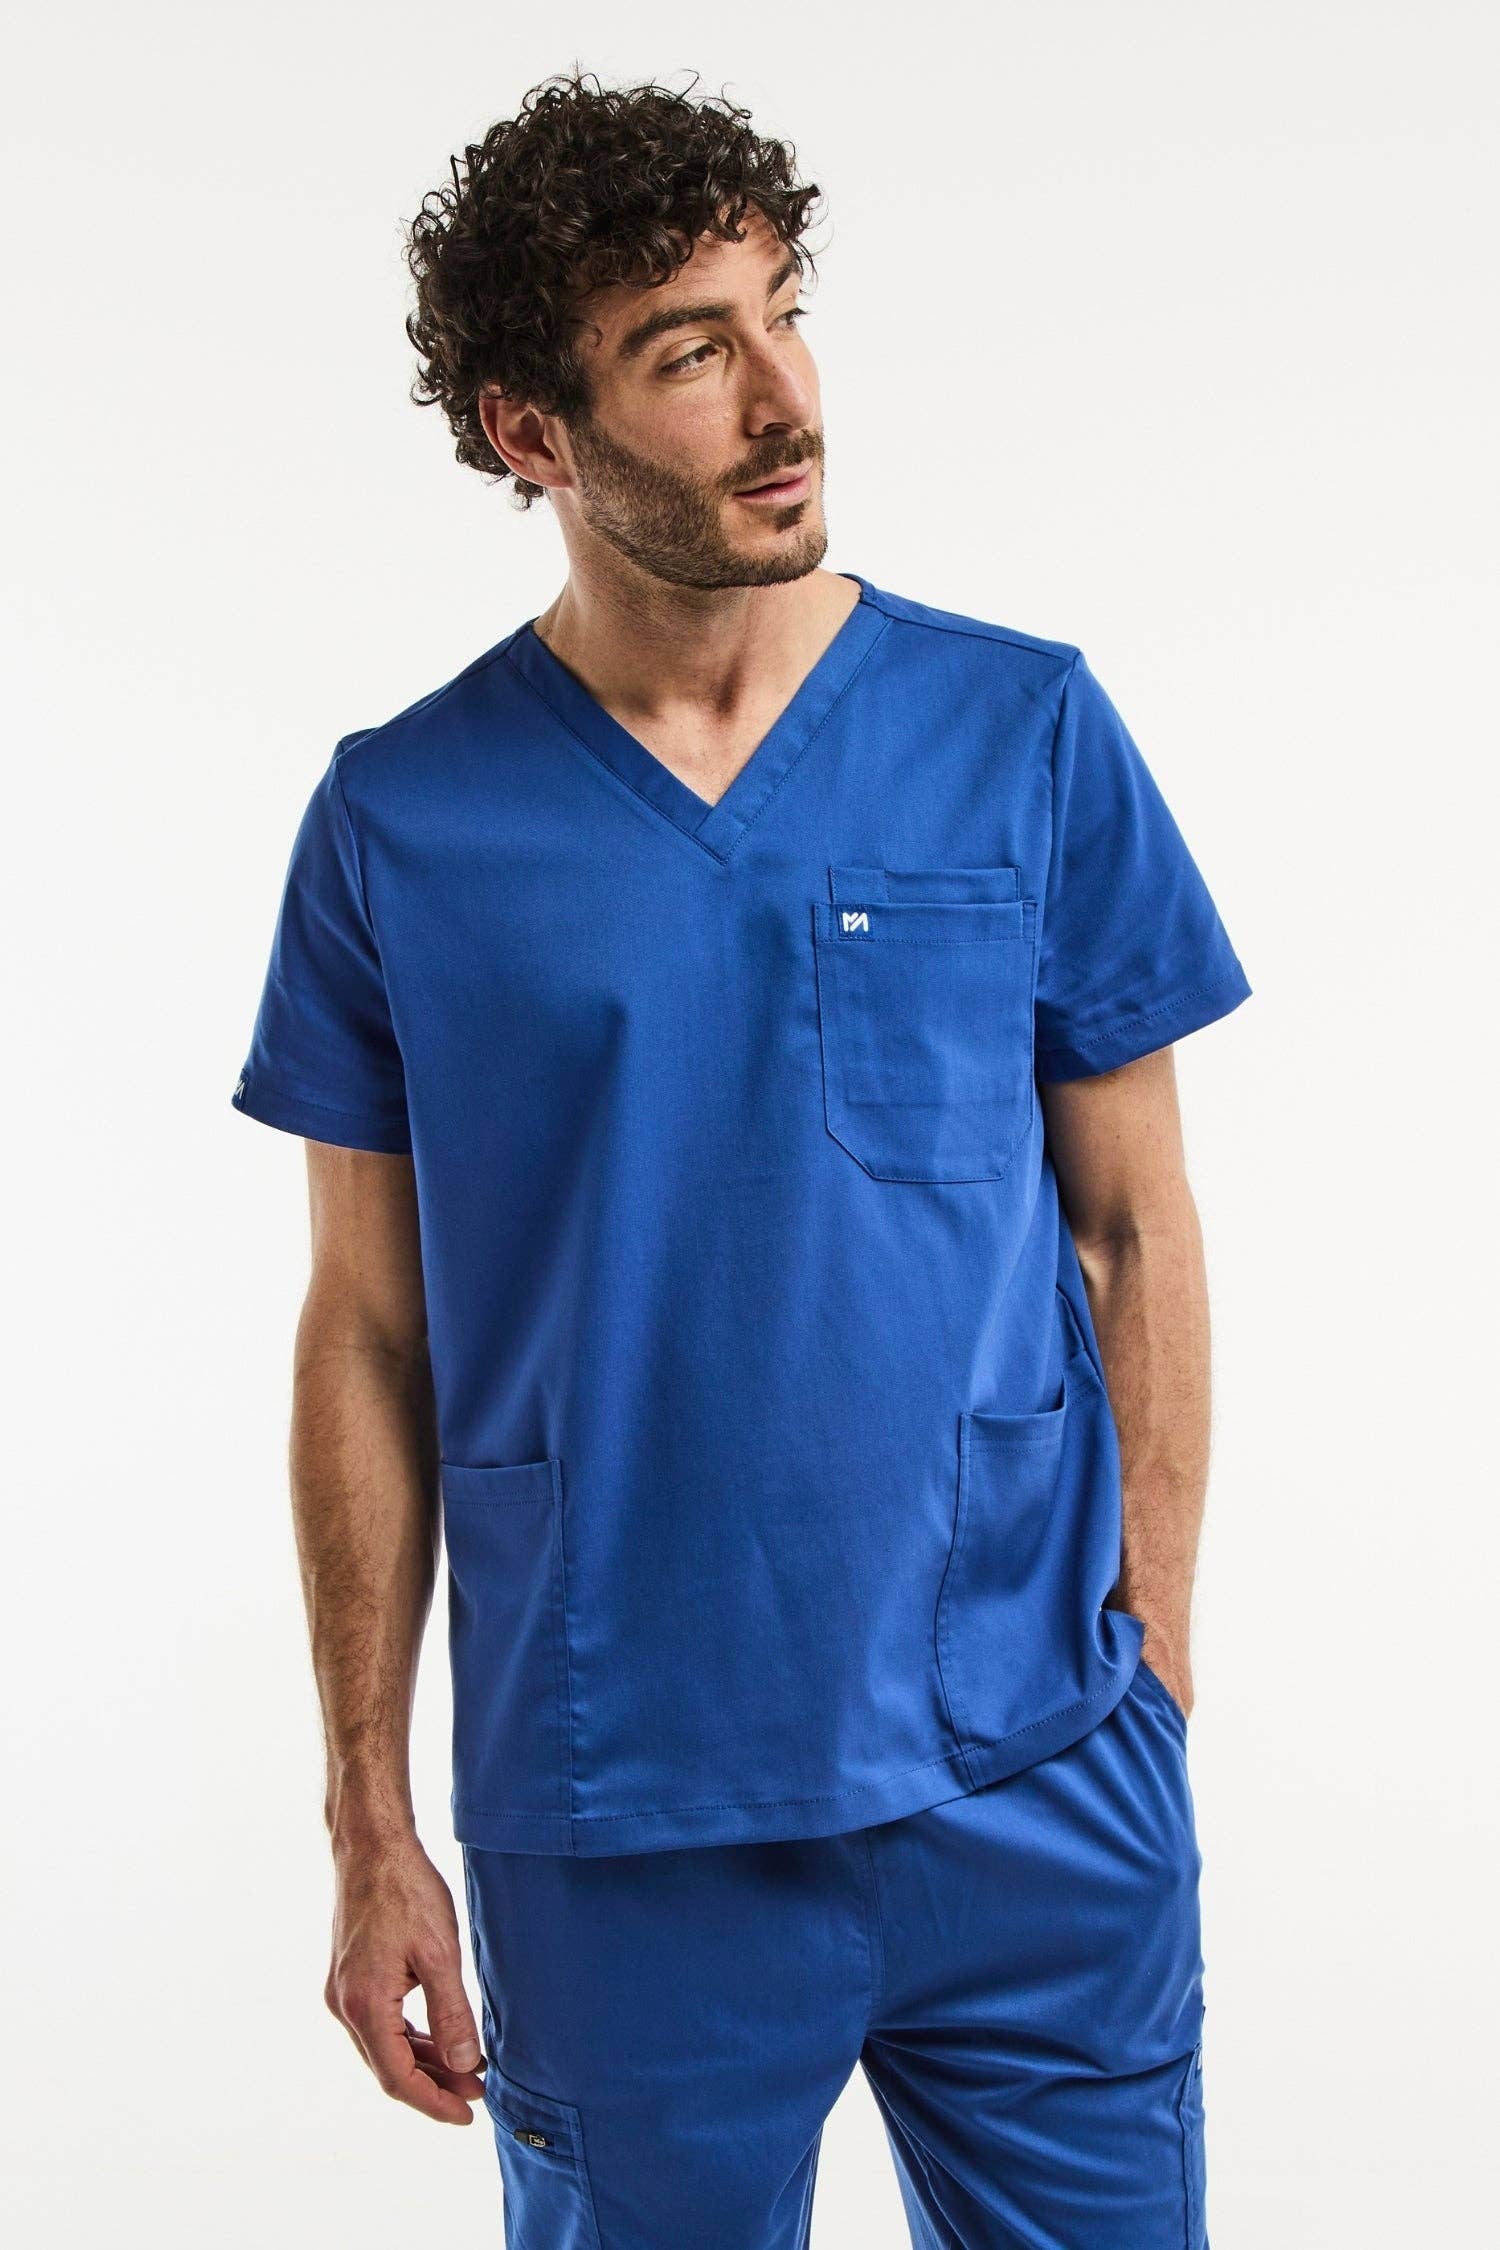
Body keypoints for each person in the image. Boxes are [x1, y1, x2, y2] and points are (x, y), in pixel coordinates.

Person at [232, 68, 1251, 2249]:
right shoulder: (403, 822)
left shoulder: (1022, 728)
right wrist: (366, 1819)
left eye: (784, 314)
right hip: (623, 1814)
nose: (786, 402)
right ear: (533, 431)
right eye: (691, 353)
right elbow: (368, 1334)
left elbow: (1135, 1220)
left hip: (1036, 1768)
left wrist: (1152, 1664)